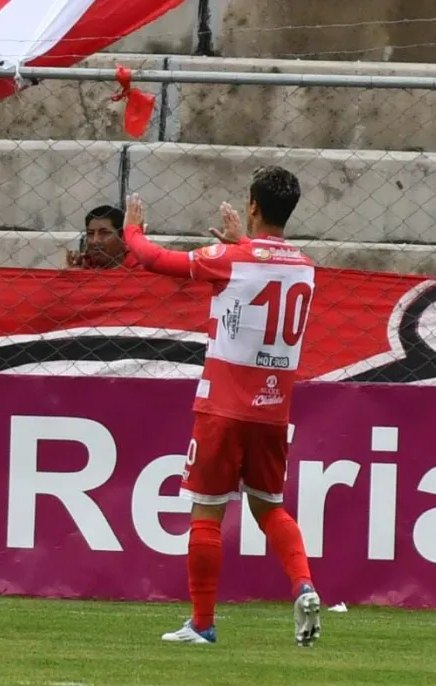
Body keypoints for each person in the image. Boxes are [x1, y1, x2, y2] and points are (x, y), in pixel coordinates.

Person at [122, 166, 322, 647]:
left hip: (223, 407)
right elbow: (259, 274)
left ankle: (203, 624)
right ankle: (304, 584)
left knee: (206, 513)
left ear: (252, 205)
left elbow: (153, 259)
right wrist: (240, 245)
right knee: (270, 507)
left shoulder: (229, 260)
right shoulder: (305, 266)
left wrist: (132, 228)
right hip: (274, 409)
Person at [65, 204, 140, 270]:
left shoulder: (140, 269)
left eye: (104, 233)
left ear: (122, 237)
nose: (95, 240)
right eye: (90, 233)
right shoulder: (84, 266)